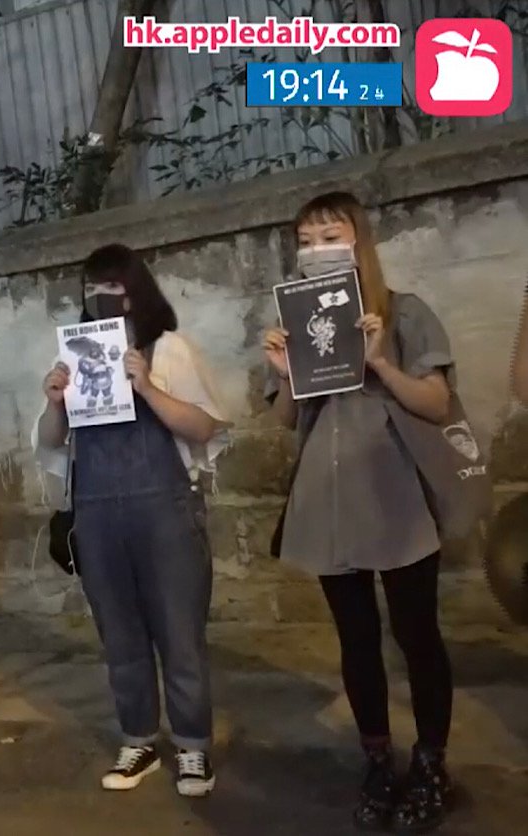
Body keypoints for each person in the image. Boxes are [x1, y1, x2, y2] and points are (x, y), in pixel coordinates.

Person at [263, 191, 457, 832]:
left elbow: (436, 403)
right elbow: (285, 419)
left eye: (331, 235)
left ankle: (431, 764)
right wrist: (287, 372)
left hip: (397, 496)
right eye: (307, 239)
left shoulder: (403, 313)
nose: (318, 249)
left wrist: (379, 362)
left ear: (359, 240)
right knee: (355, 639)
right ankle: (378, 759)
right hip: (329, 497)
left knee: (417, 635)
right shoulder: (294, 318)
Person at [35, 244, 227, 799]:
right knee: (119, 633)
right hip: (96, 512)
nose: (102, 297)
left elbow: (204, 427)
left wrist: (147, 386)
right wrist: (54, 401)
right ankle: (139, 736)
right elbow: (51, 443)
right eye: (92, 287)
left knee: (179, 632)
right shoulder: (74, 357)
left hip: (164, 507)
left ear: (136, 288)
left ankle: (193, 746)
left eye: (114, 286)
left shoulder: (169, 349)